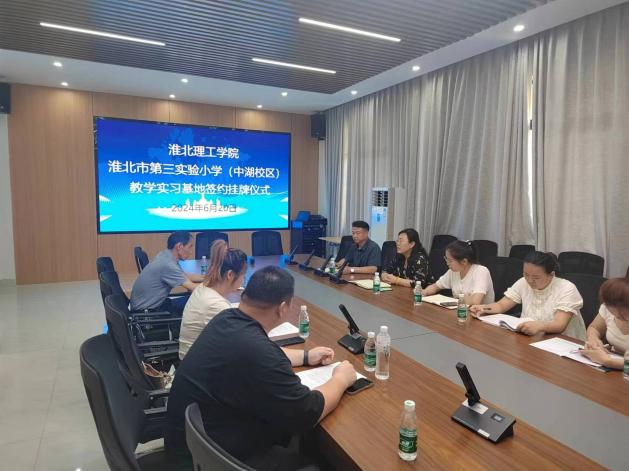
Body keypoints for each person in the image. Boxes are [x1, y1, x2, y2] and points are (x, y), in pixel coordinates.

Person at [165, 266, 357, 470]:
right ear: (283, 308)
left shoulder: (226, 319)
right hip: (220, 459)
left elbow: (263, 351)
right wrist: (341, 379)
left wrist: (307, 356)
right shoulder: (256, 350)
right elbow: (307, 412)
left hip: (196, 447)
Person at [469, 251, 586, 340]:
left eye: (536, 277)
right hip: (530, 337)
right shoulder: (523, 282)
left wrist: (540, 326)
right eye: (526, 274)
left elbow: (559, 325)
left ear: (551, 274)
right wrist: (483, 308)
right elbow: (501, 305)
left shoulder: (567, 288)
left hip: (563, 343)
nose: (529, 280)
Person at [178, 240, 247, 359]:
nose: (243, 279)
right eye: (243, 275)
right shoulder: (216, 305)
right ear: (230, 275)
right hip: (201, 367)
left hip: (192, 361)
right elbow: (244, 344)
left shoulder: (203, 288)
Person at [129, 231, 203, 315]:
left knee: (194, 299)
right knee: (200, 301)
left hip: (151, 306)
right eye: (190, 247)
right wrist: (214, 285)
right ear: (179, 246)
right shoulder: (168, 264)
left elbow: (183, 276)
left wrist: (207, 277)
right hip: (150, 313)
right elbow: (193, 287)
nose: (191, 251)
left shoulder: (165, 255)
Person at [422, 240, 494, 305]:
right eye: (446, 259)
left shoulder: (481, 271)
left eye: (450, 260)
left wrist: (454, 299)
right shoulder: (453, 271)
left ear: (464, 261)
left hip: (481, 313)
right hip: (461, 310)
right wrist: (424, 292)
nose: (447, 263)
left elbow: (475, 301)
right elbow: (436, 286)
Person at [580, 276, 629, 369]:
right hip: (613, 361)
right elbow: (595, 328)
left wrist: (607, 361)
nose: (616, 315)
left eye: (622, 314)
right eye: (612, 311)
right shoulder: (608, 307)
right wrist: (593, 339)